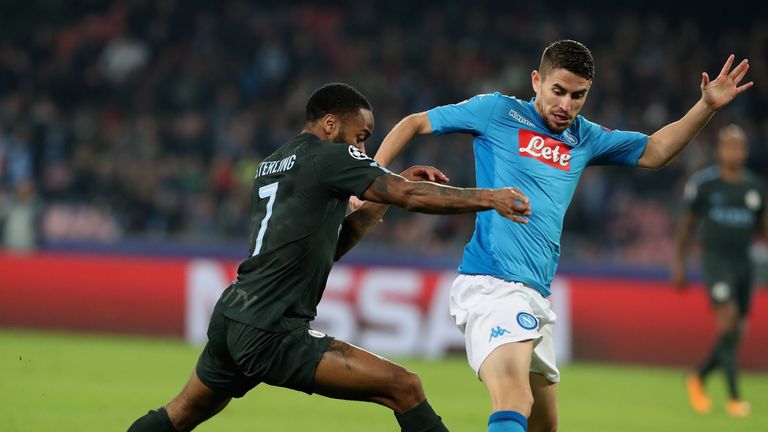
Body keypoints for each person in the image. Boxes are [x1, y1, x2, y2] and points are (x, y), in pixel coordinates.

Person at [373, 40, 752, 432]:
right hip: (492, 286)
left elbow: (655, 151)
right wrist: (372, 177)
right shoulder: (497, 111)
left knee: (544, 425)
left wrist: (705, 106)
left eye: (578, 96)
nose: (566, 105)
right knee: (515, 398)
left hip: (536, 293)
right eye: (558, 91)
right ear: (536, 81)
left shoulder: (585, 137)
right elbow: (414, 122)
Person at [127, 82, 532, 432]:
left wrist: (388, 191)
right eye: (360, 136)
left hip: (233, 314)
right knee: (404, 386)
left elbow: (330, 245)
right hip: (272, 329)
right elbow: (407, 196)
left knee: (179, 415)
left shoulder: (273, 164)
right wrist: (488, 198)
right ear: (329, 124)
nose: (362, 148)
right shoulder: (329, 158)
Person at [672, 124, 765, 418]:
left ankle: (698, 376)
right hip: (715, 262)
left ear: (745, 152)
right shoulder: (704, 184)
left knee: (736, 332)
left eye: (739, 146)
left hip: (744, 264)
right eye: (728, 145)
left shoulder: (754, 188)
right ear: (719, 150)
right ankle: (735, 397)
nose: (734, 151)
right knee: (727, 327)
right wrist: (679, 263)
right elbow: (686, 225)